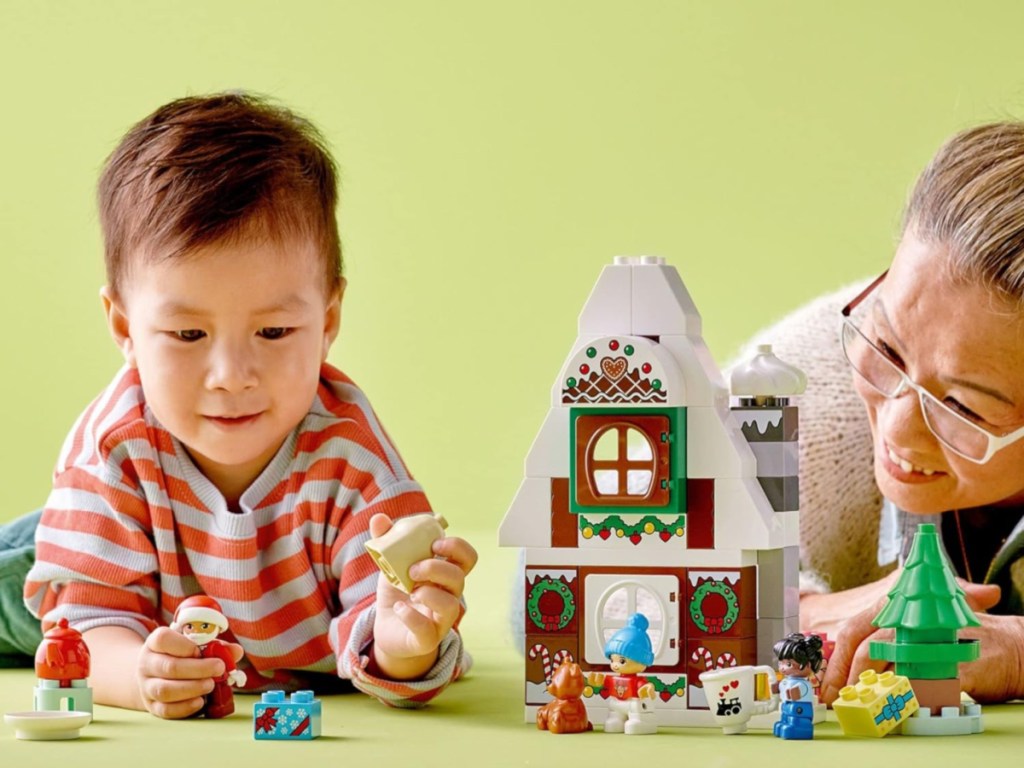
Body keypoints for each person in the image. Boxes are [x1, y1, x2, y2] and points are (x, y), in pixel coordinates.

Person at [4, 92, 477, 717]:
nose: (230, 377)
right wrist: (139, 676)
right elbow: (87, 623)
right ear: (124, 327)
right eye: (188, 335)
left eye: (274, 332)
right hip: (102, 545)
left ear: (328, 319)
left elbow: (388, 624)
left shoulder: (354, 463)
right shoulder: (111, 452)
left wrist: (403, 647)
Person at [740, 122, 1024, 706]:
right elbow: (544, 591)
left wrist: (1018, 653)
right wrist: (800, 611)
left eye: (962, 407)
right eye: (889, 350)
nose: (897, 431)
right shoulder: (796, 386)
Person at [771, 633, 823, 740]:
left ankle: (799, 729)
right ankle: (785, 723)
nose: (783, 668)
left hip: (800, 710)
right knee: (785, 717)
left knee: (796, 719)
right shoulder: (787, 680)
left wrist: (794, 692)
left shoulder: (804, 684)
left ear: (808, 665)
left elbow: (797, 692)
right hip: (787, 706)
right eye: (781, 663)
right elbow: (782, 687)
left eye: (789, 664)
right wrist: (777, 687)